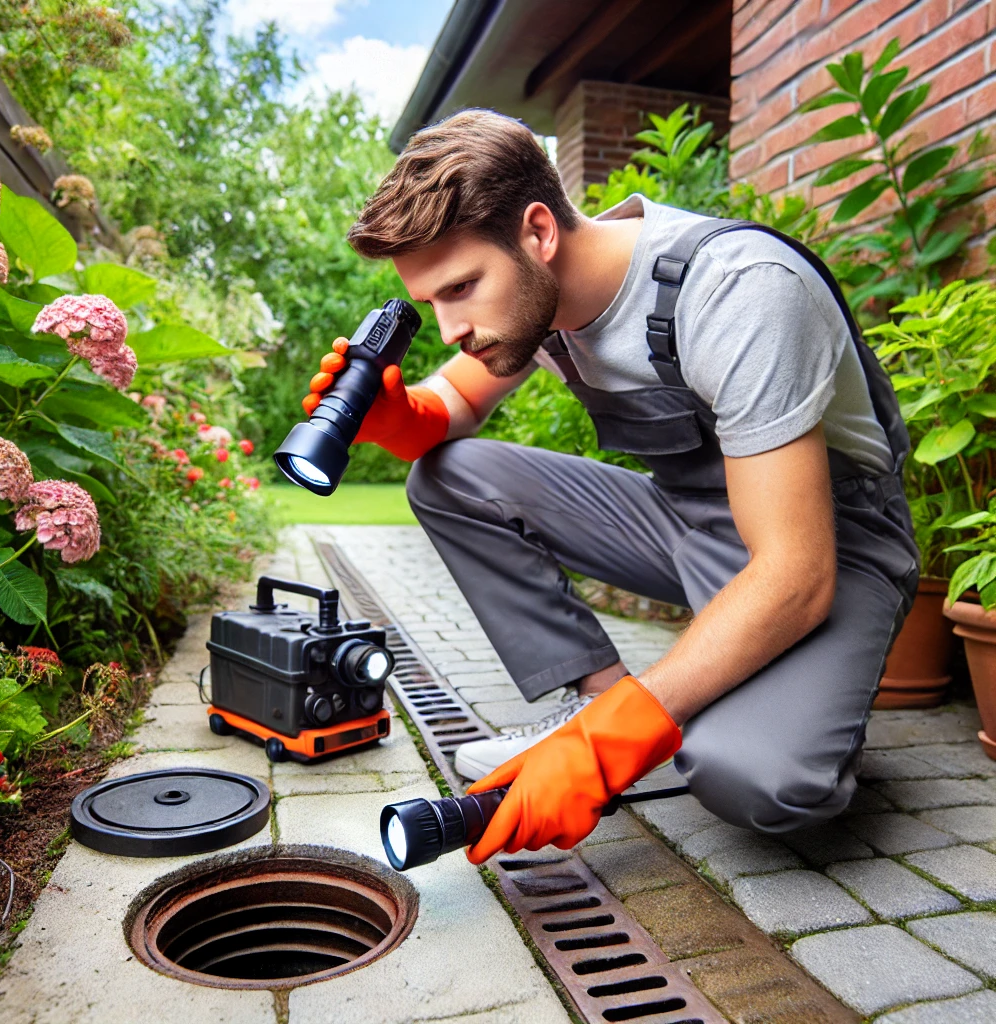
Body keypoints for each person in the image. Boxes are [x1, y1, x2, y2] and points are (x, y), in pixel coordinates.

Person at [302, 109, 919, 865]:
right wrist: (394, 417)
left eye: (462, 286)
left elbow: (794, 574)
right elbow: (448, 414)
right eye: (433, 302)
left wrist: (605, 752)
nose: (451, 327)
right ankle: (598, 698)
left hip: (831, 546)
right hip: (689, 521)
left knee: (753, 781)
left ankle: (768, 704)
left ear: (538, 232)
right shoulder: (536, 301)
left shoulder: (737, 290)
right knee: (449, 475)